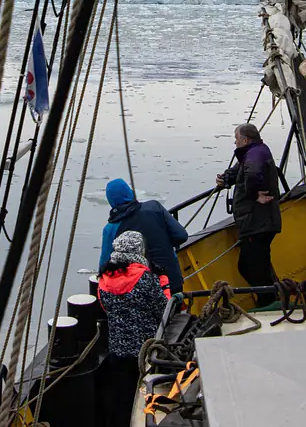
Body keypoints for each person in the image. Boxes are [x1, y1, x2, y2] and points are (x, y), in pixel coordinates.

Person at [97, 231, 171, 427]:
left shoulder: (103, 279)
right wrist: (164, 283)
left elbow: (106, 308)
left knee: (123, 397)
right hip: (145, 351)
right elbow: (163, 310)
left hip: (118, 351)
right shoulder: (145, 278)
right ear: (139, 250)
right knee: (148, 393)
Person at [216, 122, 282, 305]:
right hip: (256, 223)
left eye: (236, 139)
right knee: (258, 263)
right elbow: (240, 172)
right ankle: (271, 298)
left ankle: (268, 302)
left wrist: (254, 195)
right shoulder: (254, 153)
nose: (235, 143)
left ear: (245, 140)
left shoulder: (255, 154)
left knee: (249, 267)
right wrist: (225, 179)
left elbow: (252, 174)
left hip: (257, 223)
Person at [99, 179, 189, 294]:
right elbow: (181, 236)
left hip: (138, 293)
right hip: (172, 282)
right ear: (130, 192)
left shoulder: (110, 229)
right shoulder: (154, 207)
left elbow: (104, 267)